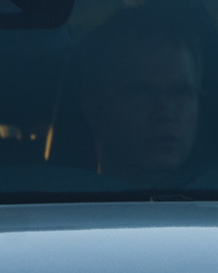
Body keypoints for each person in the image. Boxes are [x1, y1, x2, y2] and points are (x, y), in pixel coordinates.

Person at [76, 10, 201, 184]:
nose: (164, 112)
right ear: (94, 107)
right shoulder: (53, 209)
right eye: (140, 91)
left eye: (180, 92)